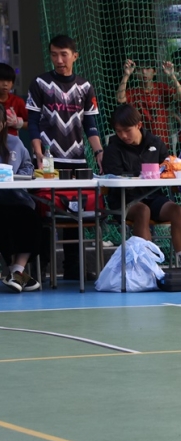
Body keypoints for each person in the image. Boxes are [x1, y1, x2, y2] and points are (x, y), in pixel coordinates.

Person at [26, 34, 103, 281]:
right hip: (48, 161)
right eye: (54, 55)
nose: (59, 60)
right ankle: (40, 269)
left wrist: (99, 153)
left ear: (75, 56)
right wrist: (38, 153)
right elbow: (33, 122)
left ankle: (73, 268)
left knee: (76, 212)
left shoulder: (85, 86)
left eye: (64, 55)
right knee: (43, 213)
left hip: (78, 161)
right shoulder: (40, 83)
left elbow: (91, 125)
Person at [102, 104, 181, 269]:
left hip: (153, 196)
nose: (123, 135)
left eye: (127, 130)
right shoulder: (112, 149)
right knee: (143, 211)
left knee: (176, 210)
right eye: (118, 131)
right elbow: (114, 179)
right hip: (124, 200)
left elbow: (168, 166)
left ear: (139, 125)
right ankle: (148, 268)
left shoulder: (155, 142)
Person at [0, 107, 44, 293]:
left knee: (31, 218)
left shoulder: (15, 142)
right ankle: (16, 274)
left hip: (15, 198)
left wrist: (16, 176)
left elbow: (28, 166)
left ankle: (17, 270)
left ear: (3, 124)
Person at [116, 58, 181, 146]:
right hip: (142, 142)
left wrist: (172, 76)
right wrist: (126, 75)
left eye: (148, 68)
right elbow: (120, 99)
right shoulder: (133, 92)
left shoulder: (161, 88)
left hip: (162, 140)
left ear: (155, 71)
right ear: (135, 73)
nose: (144, 72)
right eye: (140, 69)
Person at [0, 63, 27, 137]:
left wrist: (18, 123)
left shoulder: (18, 101)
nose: (5, 84)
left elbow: (31, 124)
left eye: (9, 81)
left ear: (12, 83)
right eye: (1, 80)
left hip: (12, 140)